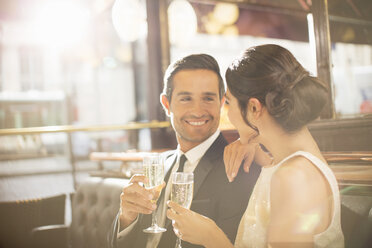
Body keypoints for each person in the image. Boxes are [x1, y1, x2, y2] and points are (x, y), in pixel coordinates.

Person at [167, 44, 344, 248]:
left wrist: (212, 238)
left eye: (229, 103)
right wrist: (256, 146)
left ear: (253, 108)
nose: (228, 114)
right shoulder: (289, 164)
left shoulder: (293, 178)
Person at [108, 54, 261, 248]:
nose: (198, 110)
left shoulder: (241, 168)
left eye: (208, 98)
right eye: (186, 98)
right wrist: (126, 218)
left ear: (221, 103)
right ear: (166, 104)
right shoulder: (158, 166)